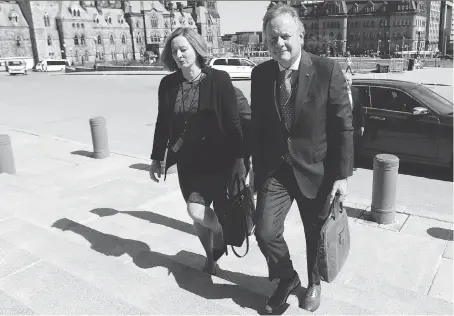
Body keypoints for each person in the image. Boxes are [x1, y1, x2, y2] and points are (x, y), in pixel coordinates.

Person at [250, 3, 354, 313]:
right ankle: (287, 277)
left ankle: (313, 282)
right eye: (271, 39)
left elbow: (343, 125)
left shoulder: (327, 70)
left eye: (284, 36)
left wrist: (342, 176)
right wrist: (255, 170)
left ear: (301, 35)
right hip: (276, 169)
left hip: (315, 169)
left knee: (314, 234)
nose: (278, 43)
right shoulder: (260, 74)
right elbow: (259, 127)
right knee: (265, 231)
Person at [149, 27, 246, 275]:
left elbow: (234, 123)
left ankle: (220, 235)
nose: (179, 55)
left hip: (218, 160)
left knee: (201, 210)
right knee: (196, 214)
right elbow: (162, 122)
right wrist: (156, 157)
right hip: (188, 162)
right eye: (174, 51)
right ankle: (212, 254)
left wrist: (240, 160)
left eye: (184, 49)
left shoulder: (219, 79)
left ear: (196, 48)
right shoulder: (168, 84)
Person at [344, 73, 365, 171]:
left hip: (354, 125)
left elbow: (360, 109)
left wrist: (362, 125)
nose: (346, 82)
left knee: (354, 147)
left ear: (351, 81)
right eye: (344, 80)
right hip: (343, 125)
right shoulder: (338, 92)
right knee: (344, 146)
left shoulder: (356, 91)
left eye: (348, 80)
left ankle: (352, 165)